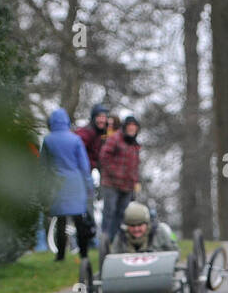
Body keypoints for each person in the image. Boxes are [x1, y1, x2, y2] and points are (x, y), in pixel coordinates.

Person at [39, 107, 94, 262]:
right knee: (79, 219)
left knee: (60, 221)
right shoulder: (75, 139)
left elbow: (43, 166)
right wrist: (89, 186)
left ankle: (60, 255)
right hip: (76, 183)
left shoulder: (48, 140)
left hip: (58, 183)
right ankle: (84, 253)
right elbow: (84, 166)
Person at [99, 114, 142, 255]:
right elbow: (104, 157)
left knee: (122, 215)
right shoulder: (115, 139)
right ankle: (105, 243)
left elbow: (135, 165)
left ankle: (117, 243)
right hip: (111, 184)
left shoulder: (135, 145)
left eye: (134, 128)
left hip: (127, 186)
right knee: (109, 213)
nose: (131, 130)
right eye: (129, 127)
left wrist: (135, 181)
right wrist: (116, 173)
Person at [109, 200, 179, 254]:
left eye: (139, 225)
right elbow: (113, 259)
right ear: (127, 226)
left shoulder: (161, 232)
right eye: (132, 225)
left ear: (147, 224)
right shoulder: (121, 237)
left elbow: (175, 252)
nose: (136, 229)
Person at [75, 103, 111, 171]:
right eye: (99, 117)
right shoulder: (86, 133)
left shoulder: (101, 134)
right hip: (82, 172)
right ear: (93, 118)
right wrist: (94, 165)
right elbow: (78, 154)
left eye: (104, 117)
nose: (102, 120)